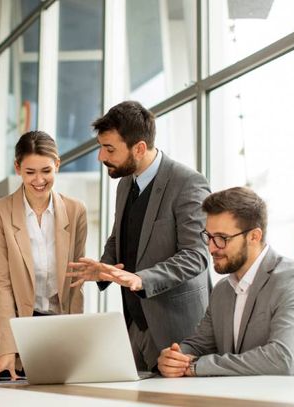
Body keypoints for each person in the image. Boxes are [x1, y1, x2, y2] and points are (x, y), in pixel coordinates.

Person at [68, 101, 210, 371]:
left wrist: (141, 279)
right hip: (135, 325)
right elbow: (119, 236)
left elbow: (196, 256)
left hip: (178, 331)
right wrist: (103, 267)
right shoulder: (125, 183)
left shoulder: (187, 183)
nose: (101, 157)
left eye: (109, 149)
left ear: (140, 148)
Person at [158, 187, 294, 377]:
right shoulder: (223, 289)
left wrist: (196, 366)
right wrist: (174, 358)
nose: (212, 248)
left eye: (222, 238)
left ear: (254, 236)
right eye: (208, 236)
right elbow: (199, 344)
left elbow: (281, 359)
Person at [0, 131, 87, 380]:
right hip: (8, 336)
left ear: (57, 165)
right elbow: (0, 285)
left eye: (46, 171)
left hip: (55, 333)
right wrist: (8, 349)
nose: (39, 180)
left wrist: (77, 342)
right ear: (17, 168)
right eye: (30, 172)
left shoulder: (75, 210)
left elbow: (76, 282)